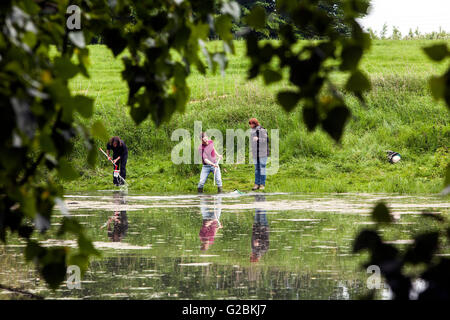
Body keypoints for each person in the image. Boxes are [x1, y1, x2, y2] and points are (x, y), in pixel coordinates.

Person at [249, 118, 269, 190]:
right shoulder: (252, 131)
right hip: (255, 153)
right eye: (250, 124)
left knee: (262, 168)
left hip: (263, 153)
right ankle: (256, 184)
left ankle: (262, 184)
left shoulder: (262, 130)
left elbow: (267, 140)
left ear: (255, 123)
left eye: (251, 124)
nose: (250, 125)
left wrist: (258, 139)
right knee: (257, 169)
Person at [250, 195, 269, 262]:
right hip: (263, 227)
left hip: (256, 227)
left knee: (257, 211)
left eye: (250, 256)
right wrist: (259, 242)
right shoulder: (263, 250)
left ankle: (257, 198)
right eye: (251, 256)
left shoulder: (253, 249)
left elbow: (252, 238)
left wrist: (253, 229)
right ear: (254, 257)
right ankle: (263, 198)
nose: (250, 255)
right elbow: (266, 241)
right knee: (262, 211)